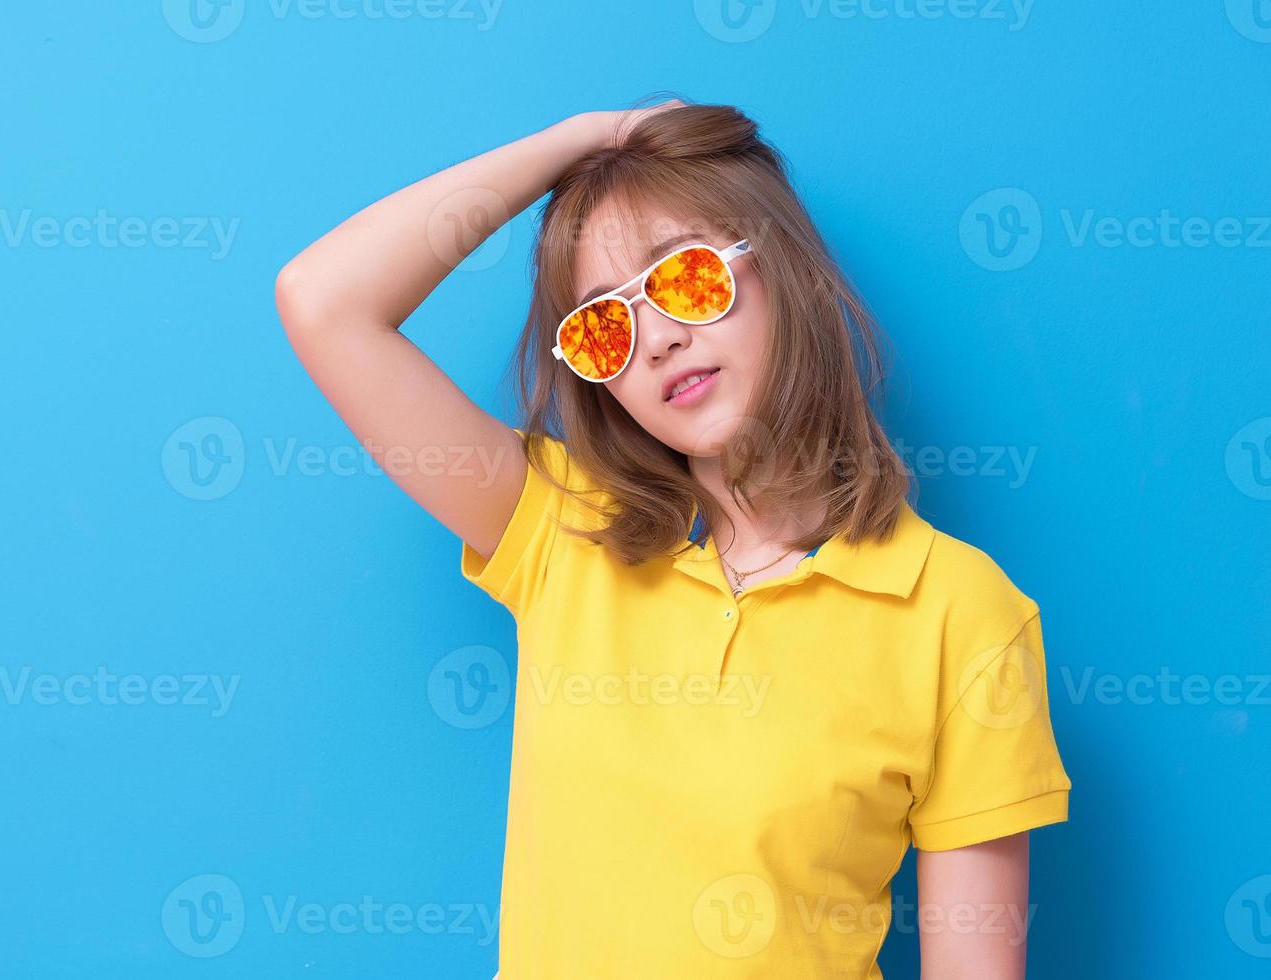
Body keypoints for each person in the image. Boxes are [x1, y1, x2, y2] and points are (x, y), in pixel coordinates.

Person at [274, 99, 1071, 979]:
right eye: (604, 323)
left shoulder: (961, 614)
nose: (654, 338)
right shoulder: (560, 532)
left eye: (684, 278)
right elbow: (324, 300)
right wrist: (583, 139)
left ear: (788, 269)